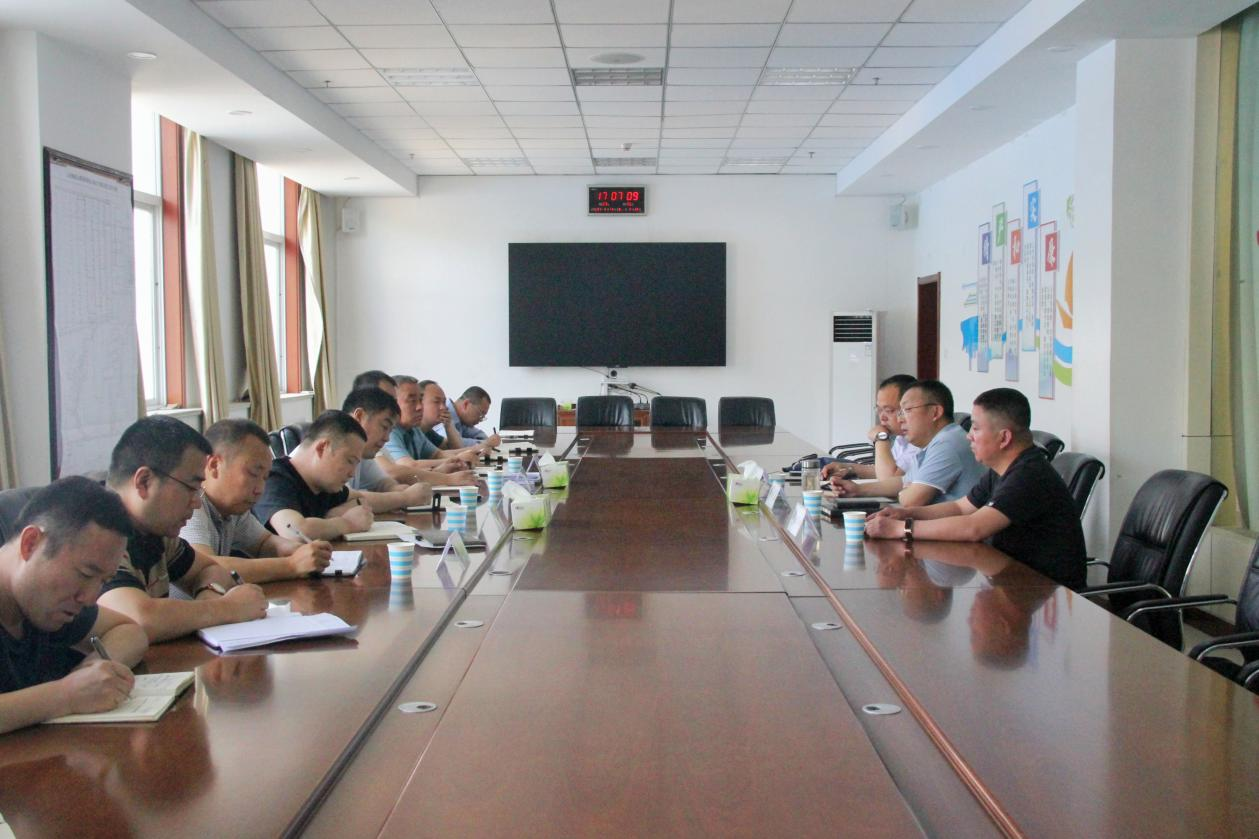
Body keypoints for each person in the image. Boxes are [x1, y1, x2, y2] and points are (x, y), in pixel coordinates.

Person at [864, 387, 1087, 589]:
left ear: (1004, 438)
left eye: (976, 428)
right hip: (1010, 577)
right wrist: (906, 514)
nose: (969, 435)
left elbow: (974, 527)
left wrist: (900, 529)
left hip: (1045, 589)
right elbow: (961, 508)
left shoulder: (1028, 475)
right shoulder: (1002, 470)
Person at [98, 417, 268, 642]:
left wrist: (208, 598)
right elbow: (139, 619)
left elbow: (210, 569)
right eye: (191, 488)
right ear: (144, 481)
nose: (197, 502)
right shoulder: (98, 532)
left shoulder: (156, 531)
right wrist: (228, 608)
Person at [0, 477, 149, 734]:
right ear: (31, 544)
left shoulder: (41, 602)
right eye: (85, 574)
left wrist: (92, 673)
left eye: (103, 581)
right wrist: (67, 695)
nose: (90, 598)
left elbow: (129, 631)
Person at [180, 419, 334, 583]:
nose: (260, 489)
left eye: (265, 478)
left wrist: (299, 551)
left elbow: (264, 543)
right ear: (214, 465)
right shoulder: (190, 505)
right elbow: (204, 567)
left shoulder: (233, 510)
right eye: (253, 474)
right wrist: (291, 565)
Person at [253, 410, 433, 541]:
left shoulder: (323, 483)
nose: (352, 473)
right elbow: (295, 532)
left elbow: (362, 499)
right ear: (322, 448)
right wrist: (346, 523)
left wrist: (405, 497)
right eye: (349, 461)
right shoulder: (275, 479)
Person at [830, 380, 984, 507]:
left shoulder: (948, 443)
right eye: (900, 412)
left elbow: (911, 500)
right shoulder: (935, 442)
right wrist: (857, 489)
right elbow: (902, 481)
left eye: (907, 410)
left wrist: (908, 491)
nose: (900, 419)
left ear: (935, 412)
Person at [380, 377, 486, 476]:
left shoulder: (414, 428)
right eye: (412, 401)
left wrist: (477, 450)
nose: (419, 407)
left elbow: (438, 454)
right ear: (392, 403)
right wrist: (459, 459)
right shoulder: (390, 431)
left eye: (420, 400)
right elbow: (409, 465)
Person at [823, 374, 920, 481]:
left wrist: (881, 439)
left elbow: (889, 480)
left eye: (889, 410)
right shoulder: (901, 438)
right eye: (879, 410)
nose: (882, 417)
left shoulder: (921, 441)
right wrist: (849, 469)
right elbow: (887, 470)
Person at [434, 386, 502, 449]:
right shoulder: (444, 413)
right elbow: (447, 443)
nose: (480, 420)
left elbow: (479, 435)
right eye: (480, 414)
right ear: (466, 404)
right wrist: (485, 443)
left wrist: (488, 441)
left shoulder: (462, 419)